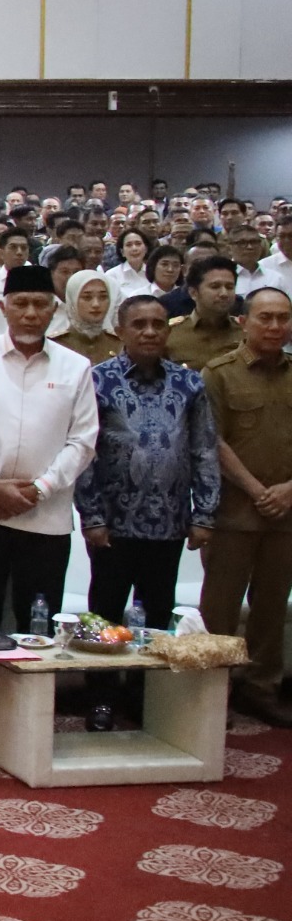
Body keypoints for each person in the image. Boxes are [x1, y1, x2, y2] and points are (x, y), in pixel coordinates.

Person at [0, 263, 99, 739]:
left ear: (55, 309)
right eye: (21, 304)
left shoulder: (76, 367)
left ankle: (34, 705)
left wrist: (41, 489)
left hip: (46, 515)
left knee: (40, 614)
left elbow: (84, 441)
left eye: (40, 305)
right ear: (3, 306)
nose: (31, 314)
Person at [74, 294, 218, 731]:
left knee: (156, 618)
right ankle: (99, 698)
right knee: (104, 614)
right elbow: (84, 455)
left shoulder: (189, 385)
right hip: (113, 524)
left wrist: (204, 512)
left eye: (158, 323)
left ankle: (145, 699)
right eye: (140, 324)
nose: (150, 331)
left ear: (168, 330)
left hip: (170, 522)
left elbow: (205, 450)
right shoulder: (97, 381)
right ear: (121, 330)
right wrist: (92, 516)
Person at [201, 286, 292, 726]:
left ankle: (261, 687)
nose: (275, 326)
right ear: (244, 321)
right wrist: (258, 489)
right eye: (266, 318)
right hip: (235, 512)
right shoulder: (219, 373)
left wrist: (288, 490)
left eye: (283, 318)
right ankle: (211, 690)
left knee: (272, 608)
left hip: (287, 515)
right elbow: (211, 441)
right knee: (219, 608)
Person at [166, 256, 244, 372]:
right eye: (215, 287)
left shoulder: (246, 332)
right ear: (193, 293)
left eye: (229, 287)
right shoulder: (169, 333)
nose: (224, 293)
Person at [55, 272, 119, 363]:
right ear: (73, 300)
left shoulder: (119, 344)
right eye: (87, 297)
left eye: (103, 297)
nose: (96, 304)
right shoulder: (56, 344)